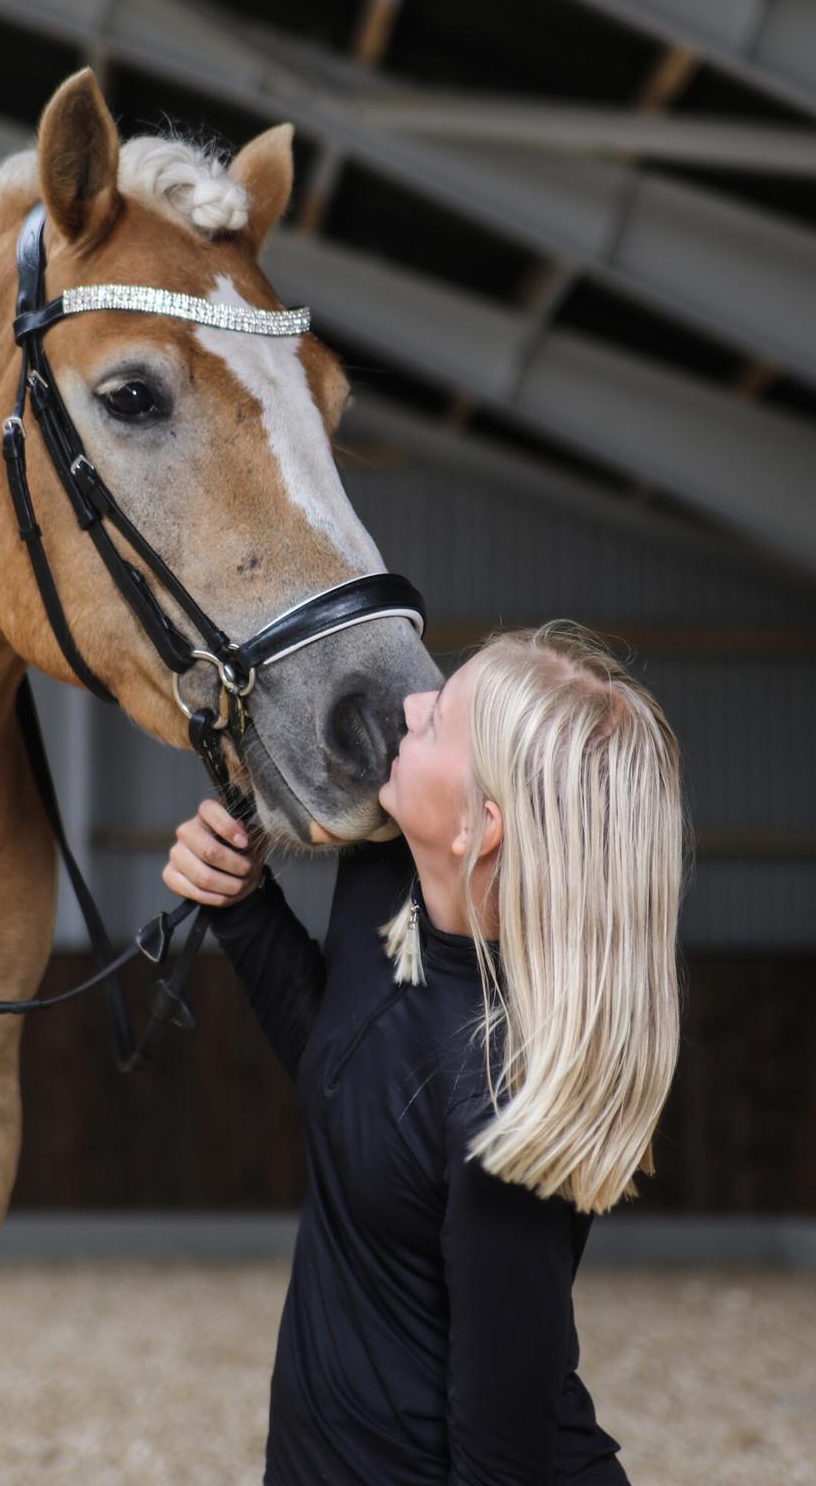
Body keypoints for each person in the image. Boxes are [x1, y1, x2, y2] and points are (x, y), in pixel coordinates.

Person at [164, 619, 689, 1484]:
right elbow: (350, 1091)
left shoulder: (503, 1114)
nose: (410, 706)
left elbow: (500, 1462)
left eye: (440, 717)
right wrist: (241, 899)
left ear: (481, 827)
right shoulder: (388, 885)